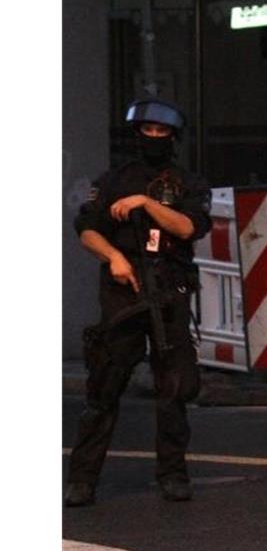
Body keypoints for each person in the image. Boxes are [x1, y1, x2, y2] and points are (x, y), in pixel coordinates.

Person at [66, 98, 213, 506]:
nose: (152, 138)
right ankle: (82, 479)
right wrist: (112, 257)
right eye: (146, 131)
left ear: (173, 136)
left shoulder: (188, 183)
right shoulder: (114, 179)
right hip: (124, 288)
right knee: (105, 383)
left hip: (169, 286)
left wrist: (146, 204)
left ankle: (172, 473)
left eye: (160, 132)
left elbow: (187, 227)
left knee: (175, 385)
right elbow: (87, 229)